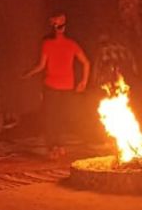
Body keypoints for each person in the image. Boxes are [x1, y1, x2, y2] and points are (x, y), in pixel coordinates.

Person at [23, 12, 91, 158]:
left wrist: (29, 73)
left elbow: (41, 66)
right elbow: (86, 63)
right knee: (58, 117)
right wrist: (83, 81)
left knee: (52, 117)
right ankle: (57, 146)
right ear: (62, 28)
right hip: (62, 86)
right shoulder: (68, 44)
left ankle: (54, 146)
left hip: (56, 86)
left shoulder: (51, 44)